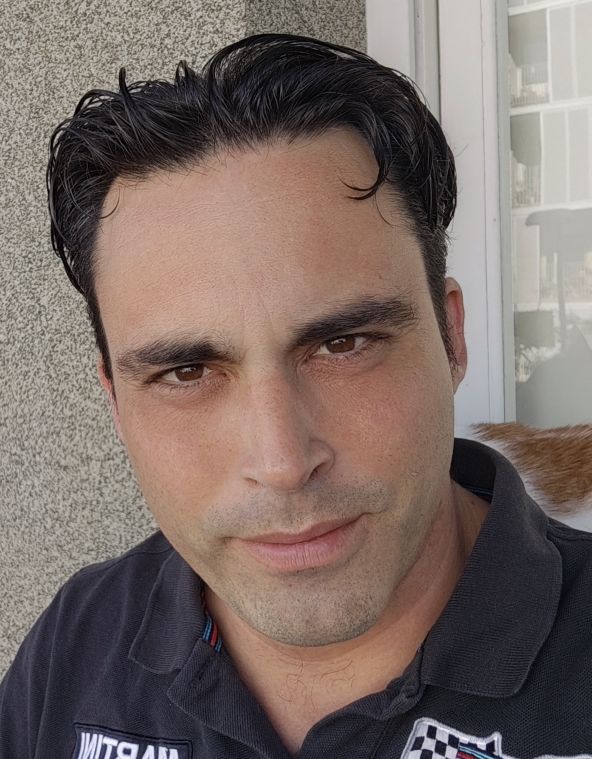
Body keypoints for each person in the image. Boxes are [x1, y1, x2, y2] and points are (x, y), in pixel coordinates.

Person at [1, 33, 591, 759]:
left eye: (344, 344)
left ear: (452, 339)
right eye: (186, 371)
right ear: (115, 401)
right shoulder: (76, 644)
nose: (282, 461)